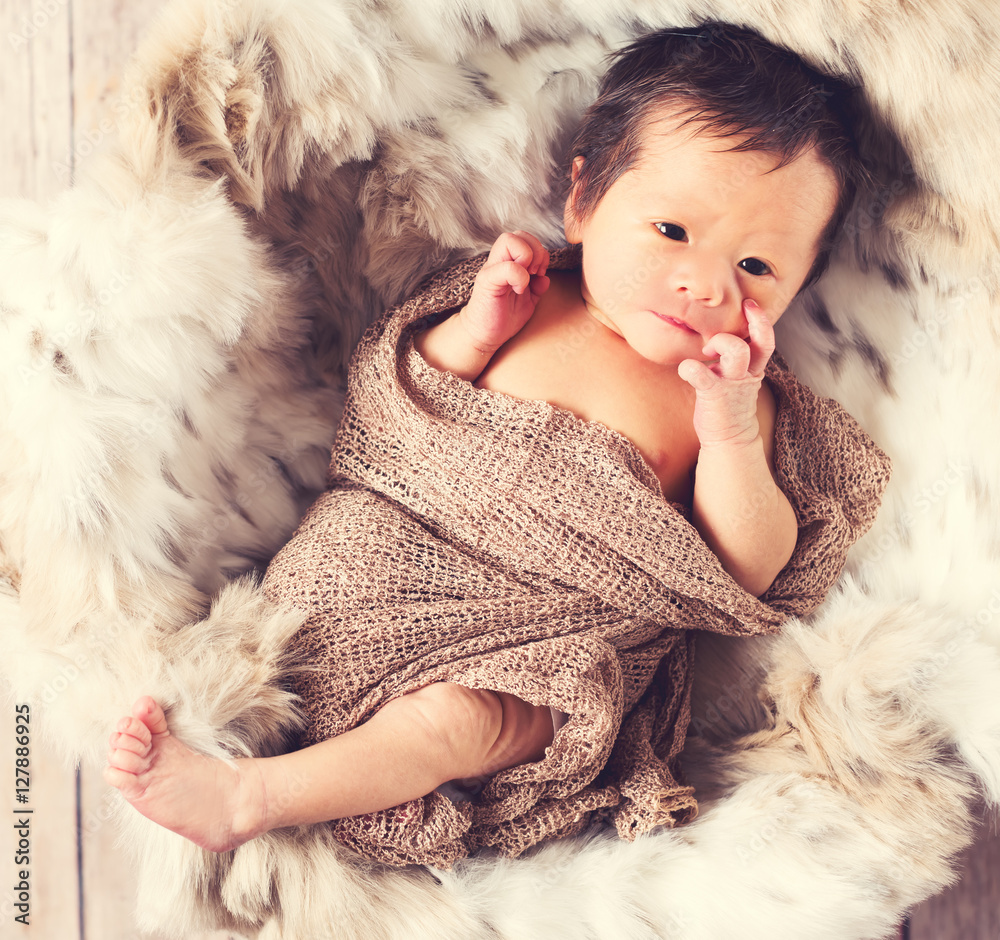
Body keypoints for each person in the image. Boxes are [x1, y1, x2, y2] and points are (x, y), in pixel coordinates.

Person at [102, 23, 882, 859]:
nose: (705, 283)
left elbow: (747, 567)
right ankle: (270, 736)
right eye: (673, 232)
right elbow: (402, 398)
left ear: (799, 285)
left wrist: (726, 427)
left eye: (758, 268)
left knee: (453, 721)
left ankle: (251, 799)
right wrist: (476, 331)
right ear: (583, 201)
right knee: (328, 571)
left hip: (543, 645)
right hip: (394, 553)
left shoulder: (737, 402)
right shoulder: (529, 298)